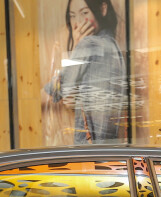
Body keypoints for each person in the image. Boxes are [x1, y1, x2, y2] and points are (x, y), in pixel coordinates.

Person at [46, 0, 126, 144]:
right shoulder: (112, 45)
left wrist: (77, 46)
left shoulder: (89, 44)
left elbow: (59, 89)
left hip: (92, 151)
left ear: (103, 9)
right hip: (110, 146)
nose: (78, 22)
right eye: (72, 16)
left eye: (84, 13)